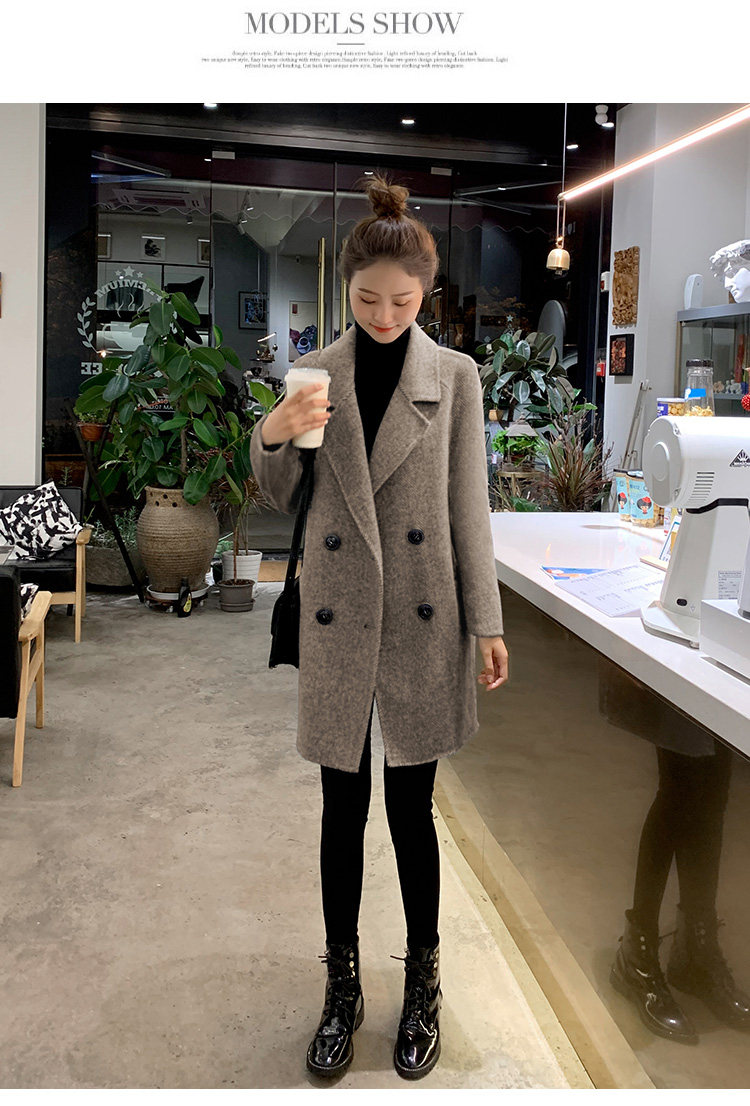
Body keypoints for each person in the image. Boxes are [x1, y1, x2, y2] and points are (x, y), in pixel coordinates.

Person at [249, 174, 509, 1080]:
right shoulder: (317, 374)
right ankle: (343, 987)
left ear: (425, 292)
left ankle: (424, 982)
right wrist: (273, 430)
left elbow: (469, 507)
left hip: (423, 613)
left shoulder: (457, 378)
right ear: (346, 288)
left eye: (402, 301)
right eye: (368, 300)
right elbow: (278, 495)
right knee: (339, 811)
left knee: (411, 812)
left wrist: (487, 619)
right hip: (340, 611)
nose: (385, 316)